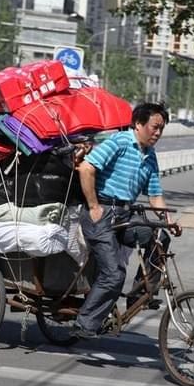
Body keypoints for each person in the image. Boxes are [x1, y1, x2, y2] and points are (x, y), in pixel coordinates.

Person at [72, 102, 182, 339]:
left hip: (124, 215)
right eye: (154, 127)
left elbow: (155, 195)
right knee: (114, 274)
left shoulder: (150, 156)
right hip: (100, 214)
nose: (158, 133)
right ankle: (85, 322)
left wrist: (168, 220)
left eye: (161, 129)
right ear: (139, 123)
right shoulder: (120, 142)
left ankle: (140, 294)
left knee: (159, 237)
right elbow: (86, 168)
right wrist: (93, 206)